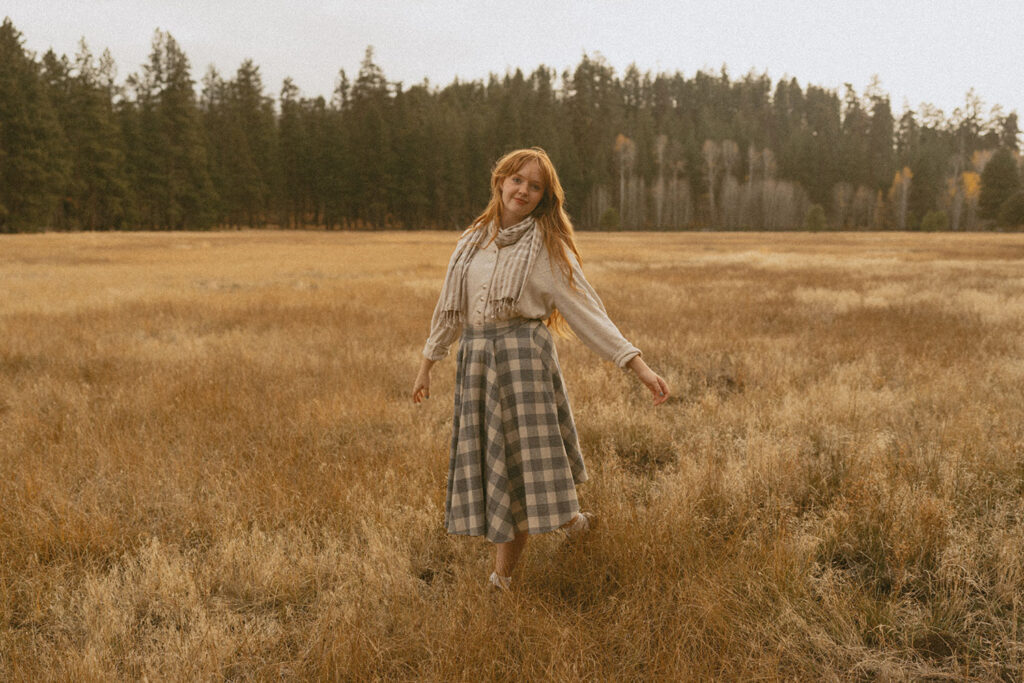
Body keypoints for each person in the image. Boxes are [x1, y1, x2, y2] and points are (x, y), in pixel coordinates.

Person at [412, 147, 668, 591]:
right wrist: (428, 363)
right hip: (476, 364)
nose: (523, 190)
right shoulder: (472, 241)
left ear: (544, 197)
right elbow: (449, 310)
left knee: (520, 472)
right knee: (510, 466)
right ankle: (574, 522)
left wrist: (637, 365)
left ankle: (501, 581)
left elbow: (588, 312)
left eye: (535, 186)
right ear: (500, 181)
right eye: (517, 180)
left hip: (524, 365)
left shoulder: (547, 248)